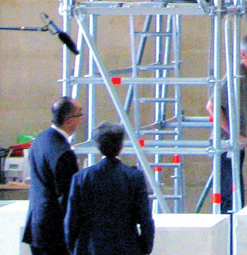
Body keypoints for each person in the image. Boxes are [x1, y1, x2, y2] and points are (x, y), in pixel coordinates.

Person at [64, 123, 154, 255]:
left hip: (90, 248)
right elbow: (145, 219)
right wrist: (144, 248)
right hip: (126, 248)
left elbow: (72, 219)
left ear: (98, 146)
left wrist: (73, 247)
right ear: (121, 146)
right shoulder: (135, 177)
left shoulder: (81, 178)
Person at [207, 32, 247, 213]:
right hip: (226, 144)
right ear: (244, 55)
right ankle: (229, 237)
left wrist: (246, 130)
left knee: (236, 195)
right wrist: (234, 134)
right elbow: (212, 106)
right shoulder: (236, 75)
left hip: (235, 142)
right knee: (229, 199)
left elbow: (239, 108)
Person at [22, 96, 82, 255]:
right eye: (80, 114)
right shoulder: (63, 152)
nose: (81, 119)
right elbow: (68, 196)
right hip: (54, 231)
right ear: (70, 120)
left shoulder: (40, 139)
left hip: (36, 223)